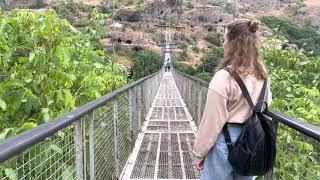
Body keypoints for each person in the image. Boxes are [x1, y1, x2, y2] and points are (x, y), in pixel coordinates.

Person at [192, 19, 272, 180]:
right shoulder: (263, 77)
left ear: (233, 44)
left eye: (225, 39)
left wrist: (199, 153)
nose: (223, 44)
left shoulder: (224, 77)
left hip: (226, 141)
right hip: (253, 141)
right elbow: (266, 104)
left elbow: (212, 121)